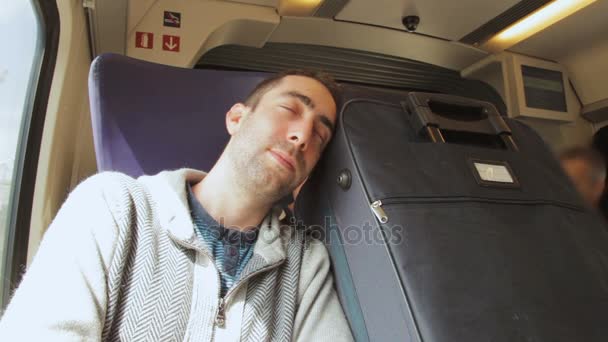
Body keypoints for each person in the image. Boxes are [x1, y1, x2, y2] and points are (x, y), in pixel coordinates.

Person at [0, 69, 354, 341]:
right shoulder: (111, 205)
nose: (302, 136)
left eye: (319, 136)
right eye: (289, 109)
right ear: (237, 118)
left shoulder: (306, 263)